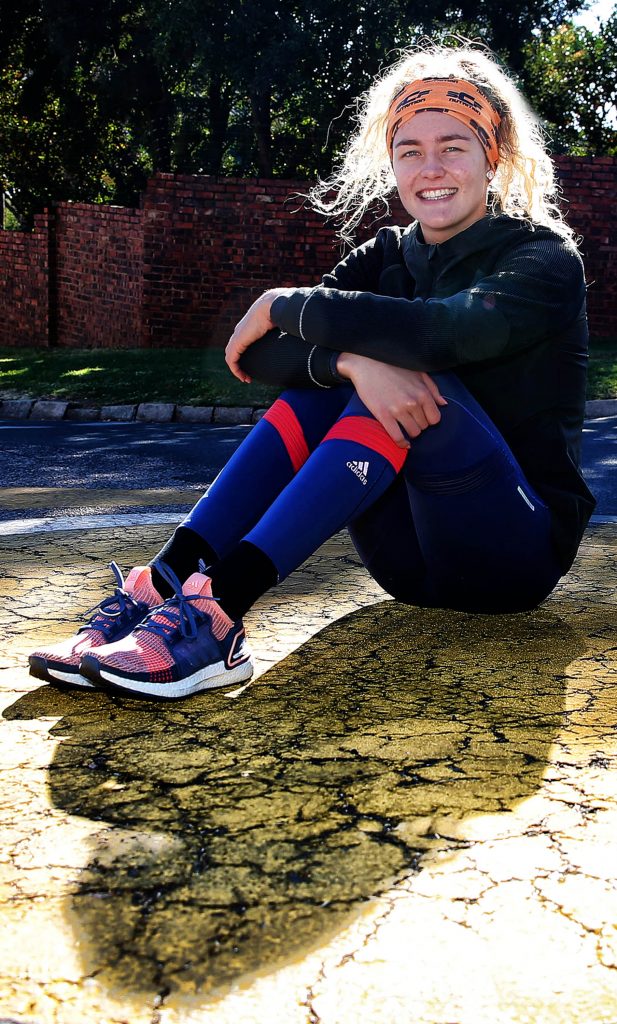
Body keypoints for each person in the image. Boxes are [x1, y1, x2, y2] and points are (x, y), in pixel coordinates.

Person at [29, 42, 595, 700]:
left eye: (453, 146)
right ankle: (162, 583)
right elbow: (256, 355)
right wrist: (347, 361)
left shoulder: (543, 261)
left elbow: (444, 332)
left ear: (491, 156)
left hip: (513, 555)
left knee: (416, 379)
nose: (431, 168)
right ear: (391, 162)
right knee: (337, 378)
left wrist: (284, 304)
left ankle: (217, 611)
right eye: (410, 150)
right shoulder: (384, 256)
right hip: (405, 565)